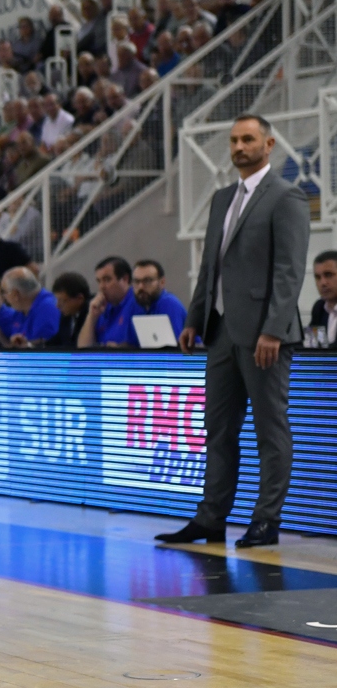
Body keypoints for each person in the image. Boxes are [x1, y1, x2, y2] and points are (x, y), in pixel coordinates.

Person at [159, 114, 310, 548]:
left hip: (265, 334)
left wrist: (274, 329)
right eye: (234, 141)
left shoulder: (287, 196)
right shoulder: (223, 198)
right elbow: (211, 267)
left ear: (269, 144)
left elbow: (289, 270)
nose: (239, 147)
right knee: (217, 430)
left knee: (270, 429)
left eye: (248, 139)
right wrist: (193, 318)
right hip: (221, 331)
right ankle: (210, 518)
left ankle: (266, 520)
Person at [124, 259, 187, 347]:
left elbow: (174, 349)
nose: (141, 287)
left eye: (147, 281)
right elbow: (130, 345)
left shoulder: (169, 304)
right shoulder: (135, 305)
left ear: (162, 282)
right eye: (136, 282)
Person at [76, 256, 134, 347]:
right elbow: (83, 349)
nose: (101, 287)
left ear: (125, 279)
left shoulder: (139, 303)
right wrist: (91, 316)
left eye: (107, 280)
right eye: (99, 281)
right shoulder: (102, 306)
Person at [0, 266, 60, 347]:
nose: (4, 297)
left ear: (15, 294)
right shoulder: (20, 310)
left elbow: (42, 349)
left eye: (4, 292)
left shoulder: (47, 308)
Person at [48, 271, 91, 346]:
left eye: (62, 301)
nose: (57, 306)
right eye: (57, 300)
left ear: (79, 299)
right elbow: (56, 342)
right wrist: (30, 345)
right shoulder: (67, 316)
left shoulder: (91, 316)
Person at [307, 250, 337, 348]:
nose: (323, 283)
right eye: (318, 277)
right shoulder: (319, 308)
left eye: (328, 275)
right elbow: (314, 349)